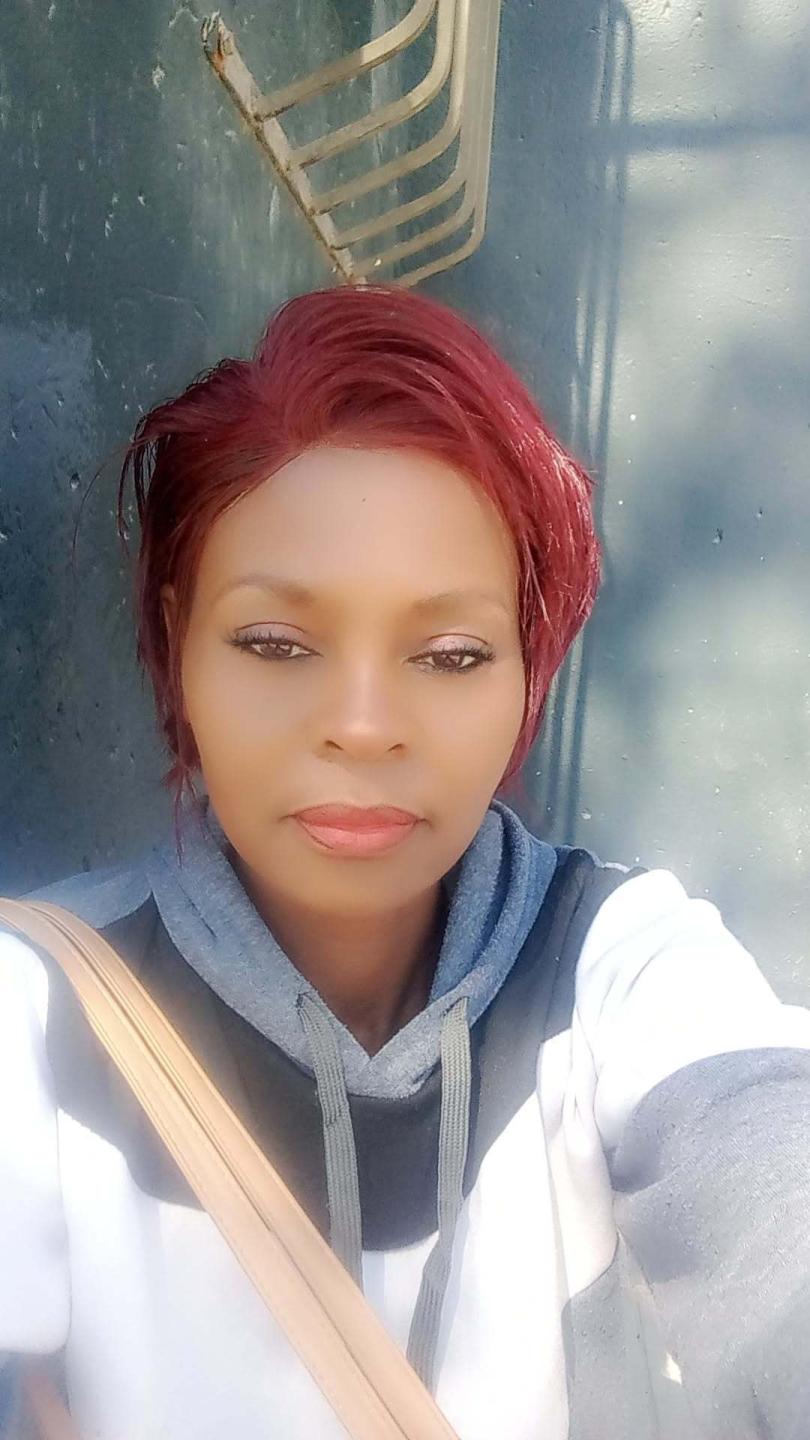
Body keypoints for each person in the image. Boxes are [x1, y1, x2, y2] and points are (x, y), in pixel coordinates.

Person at [1, 282, 808, 1440]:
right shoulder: (35, 1013)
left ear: (530, 666)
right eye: (275, 643)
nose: (364, 725)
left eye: (450, 654)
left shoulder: (618, 971)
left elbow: (763, 1154)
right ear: (177, 642)